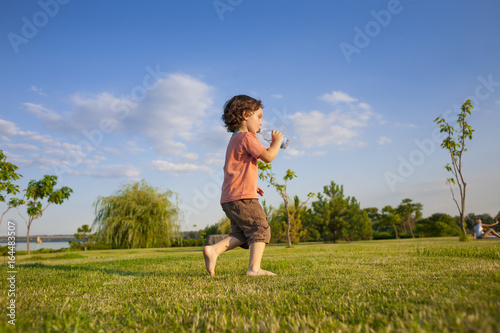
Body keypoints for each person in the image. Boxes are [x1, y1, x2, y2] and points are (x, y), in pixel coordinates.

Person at [203, 95, 284, 276]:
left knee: (241, 235)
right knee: (259, 228)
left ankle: (214, 250)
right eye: (259, 117)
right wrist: (276, 142)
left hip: (230, 198)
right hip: (242, 197)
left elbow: (234, 169)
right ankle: (254, 269)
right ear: (246, 115)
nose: (261, 123)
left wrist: (251, 185)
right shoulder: (247, 137)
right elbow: (269, 157)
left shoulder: (234, 140)